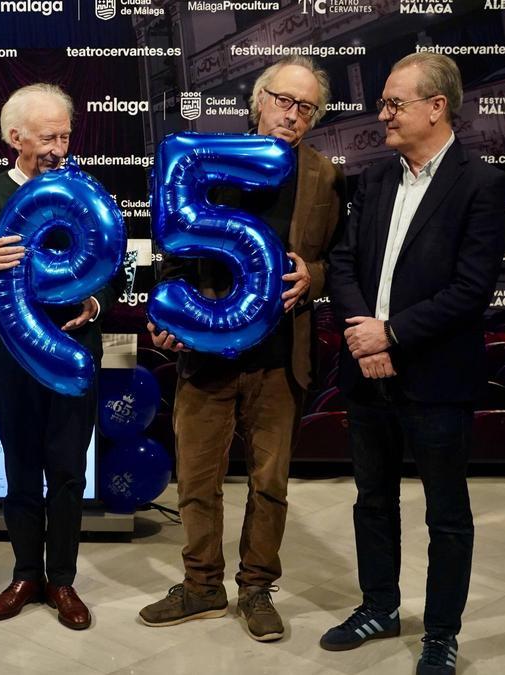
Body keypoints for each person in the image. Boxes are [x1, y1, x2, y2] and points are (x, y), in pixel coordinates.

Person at [138, 56, 346, 642]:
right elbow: (175, 251)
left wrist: (317, 277)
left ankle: (256, 589)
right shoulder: (208, 165)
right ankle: (202, 585)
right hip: (205, 354)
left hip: (280, 357)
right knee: (197, 480)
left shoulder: (326, 176)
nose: (293, 114)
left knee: (270, 482)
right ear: (258, 101)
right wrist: (165, 313)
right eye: (284, 99)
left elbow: (340, 257)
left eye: (306, 107)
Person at [322, 52, 505, 675]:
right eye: (383, 102)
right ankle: (378, 607)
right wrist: (363, 336)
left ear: (437, 107)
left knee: (446, 513)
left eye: (394, 103)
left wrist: (392, 335)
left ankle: (440, 634)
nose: (383, 114)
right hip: (364, 368)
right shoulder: (373, 180)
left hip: (435, 376)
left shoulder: (481, 183)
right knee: (372, 500)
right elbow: (343, 263)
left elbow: (470, 288)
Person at [0, 83, 122, 631]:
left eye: (65, 135)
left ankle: (62, 579)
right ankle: (26, 573)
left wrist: (95, 303)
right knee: (21, 469)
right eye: (48, 136)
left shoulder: (87, 192)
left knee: (69, 471)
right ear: (14, 137)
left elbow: (116, 273)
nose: (58, 146)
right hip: (11, 361)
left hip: (73, 356)